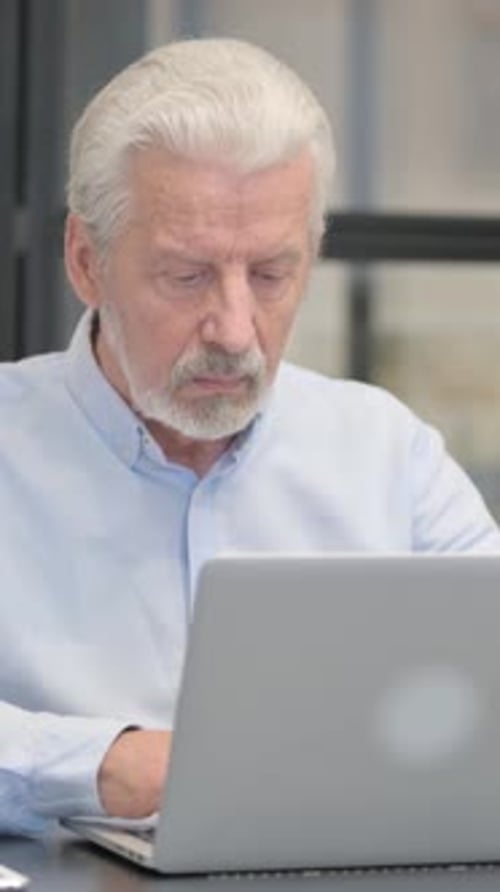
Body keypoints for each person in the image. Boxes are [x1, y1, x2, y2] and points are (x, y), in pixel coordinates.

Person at [0, 37, 499, 838]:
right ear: (86, 262)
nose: (235, 331)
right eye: (187, 275)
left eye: (271, 274)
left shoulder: (385, 454)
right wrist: (107, 765)